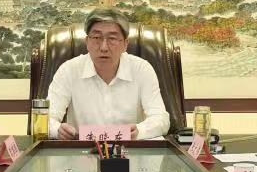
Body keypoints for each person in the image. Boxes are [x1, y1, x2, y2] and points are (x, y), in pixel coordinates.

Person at [49, 9, 169, 140]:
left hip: (130, 149)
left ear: (125, 44)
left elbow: (161, 118)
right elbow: (46, 118)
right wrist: (57, 130)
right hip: (83, 150)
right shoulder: (69, 70)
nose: (104, 47)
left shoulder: (142, 70)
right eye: (96, 38)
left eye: (112, 38)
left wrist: (139, 131)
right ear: (87, 42)